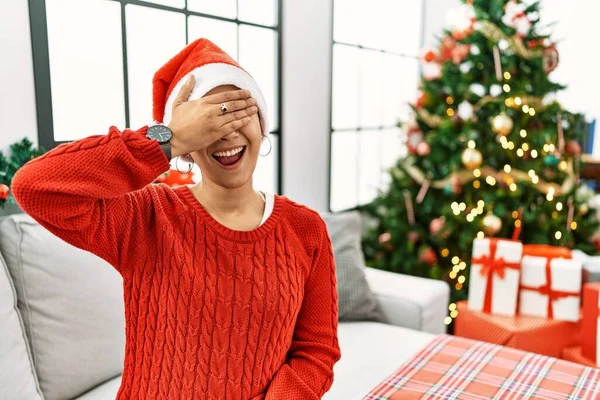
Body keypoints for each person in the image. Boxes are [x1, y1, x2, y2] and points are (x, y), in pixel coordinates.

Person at [11, 38, 341, 400]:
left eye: (236, 111)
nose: (225, 131)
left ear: (262, 122)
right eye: (208, 120)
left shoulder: (306, 230)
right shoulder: (147, 217)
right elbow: (34, 187)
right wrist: (166, 139)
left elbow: (316, 351)